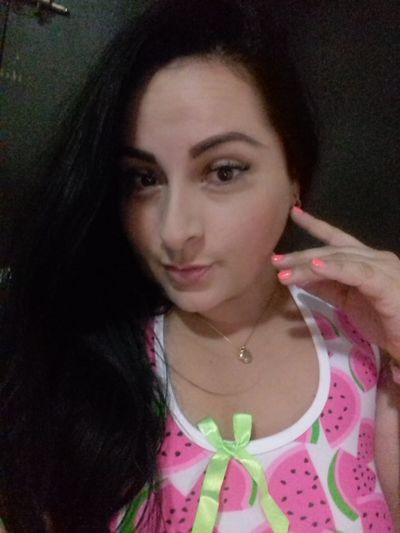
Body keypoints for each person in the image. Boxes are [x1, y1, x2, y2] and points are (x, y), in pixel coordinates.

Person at [1, 0, 399, 531]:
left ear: (294, 175)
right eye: (144, 179)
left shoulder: (369, 345)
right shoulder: (84, 376)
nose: (173, 230)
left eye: (223, 171)